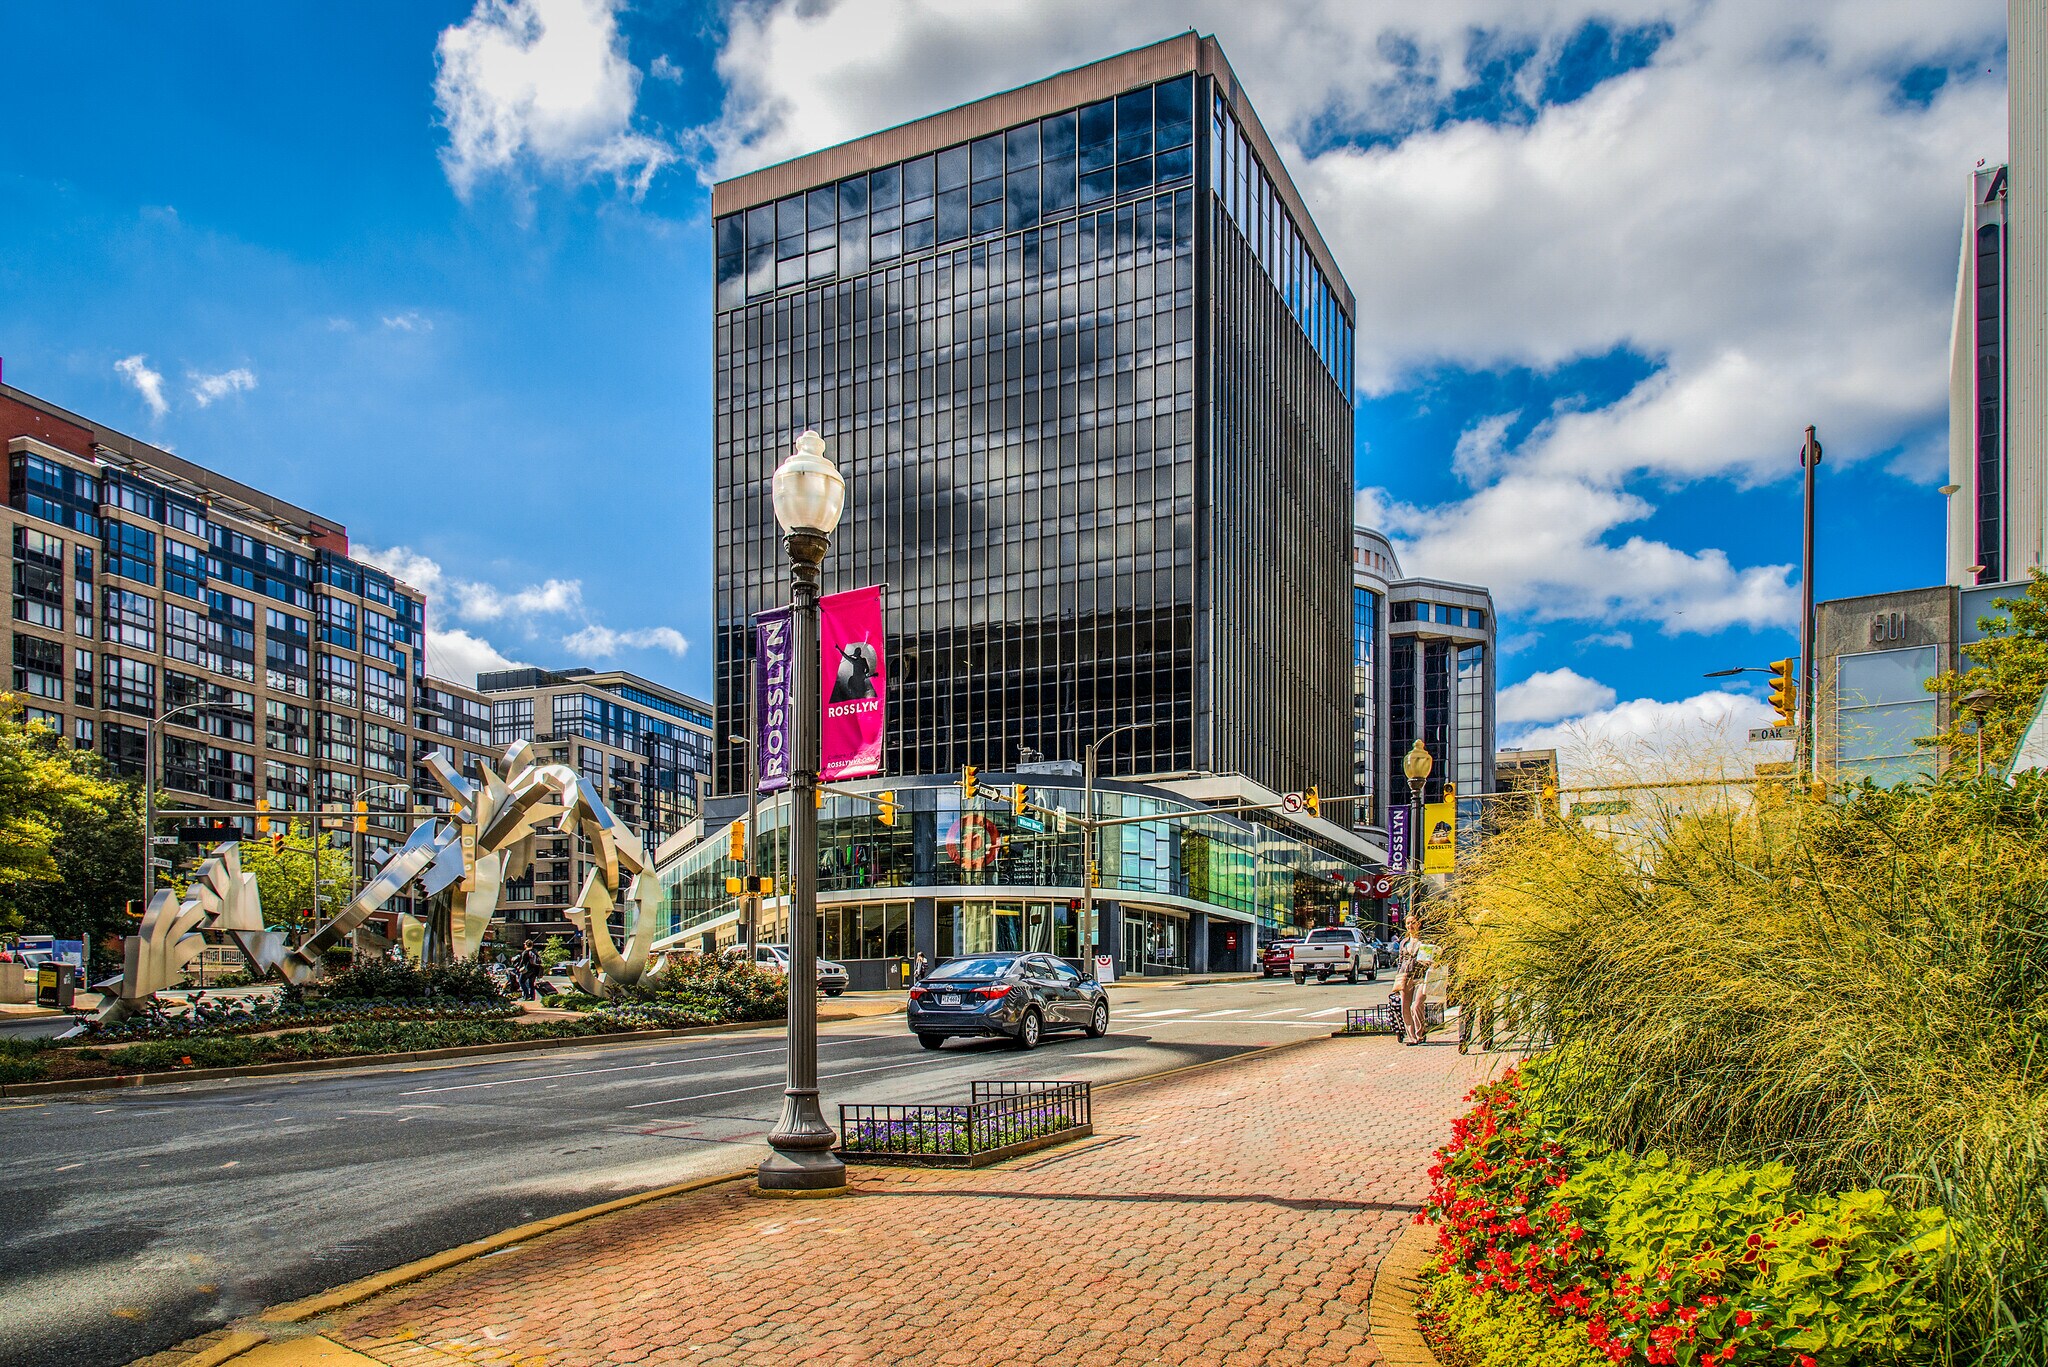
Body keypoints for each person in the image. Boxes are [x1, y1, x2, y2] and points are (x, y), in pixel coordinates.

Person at [1397, 930, 1438, 1045]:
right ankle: (1412, 1037)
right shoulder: (1404, 943)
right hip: (1406, 975)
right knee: (1405, 1007)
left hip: (1421, 976)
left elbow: (1432, 958)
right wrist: (1398, 977)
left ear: (1418, 924)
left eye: (1413, 923)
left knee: (1417, 1004)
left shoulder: (1424, 941)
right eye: (1408, 923)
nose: (1411, 926)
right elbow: (1400, 960)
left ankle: (1420, 1033)